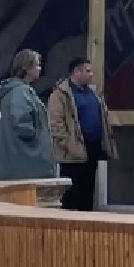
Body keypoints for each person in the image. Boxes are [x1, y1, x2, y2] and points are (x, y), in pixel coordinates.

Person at [45, 56, 117, 212]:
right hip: (72, 151)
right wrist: (68, 144)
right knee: (72, 193)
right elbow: (56, 123)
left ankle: (86, 222)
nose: (91, 74)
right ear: (76, 72)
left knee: (88, 190)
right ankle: (69, 227)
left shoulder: (92, 92)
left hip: (92, 148)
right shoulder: (60, 94)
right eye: (87, 71)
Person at [0, 49, 55, 181]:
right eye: (37, 65)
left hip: (18, 164)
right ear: (27, 68)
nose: (40, 68)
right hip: (25, 165)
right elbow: (21, 123)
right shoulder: (20, 92)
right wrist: (37, 141)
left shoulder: (16, 91)